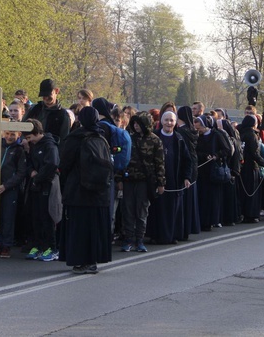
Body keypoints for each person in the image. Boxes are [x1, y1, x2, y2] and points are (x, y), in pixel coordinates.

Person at [58, 106, 112, 274]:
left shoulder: (74, 138)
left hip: (78, 191)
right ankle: (93, 261)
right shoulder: (101, 137)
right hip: (99, 192)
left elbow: (64, 164)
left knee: (78, 228)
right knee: (95, 228)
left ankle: (79, 261)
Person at [118, 112, 164, 253]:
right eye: (135, 123)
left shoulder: (155, 140)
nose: (136, 126)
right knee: (128, 211)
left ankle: (139, 240)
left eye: (139, 123)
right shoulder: (128, 138)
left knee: (142, 211)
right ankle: (129, 240)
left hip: (145, 181)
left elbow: (160, 163)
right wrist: (119, 179)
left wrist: (161, 183)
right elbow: (121, 159)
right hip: (129, 180)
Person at [148, 111, 191, 244]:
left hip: (174, 178)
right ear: (161, 121)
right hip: (157, 179)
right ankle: (157, 235)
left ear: (175, 122)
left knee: (173, 208)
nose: (169, 123)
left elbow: (186, 160)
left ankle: (172, 236)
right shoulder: (155, 137)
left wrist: (186, 177)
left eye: (171, 120)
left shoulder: (179, 139)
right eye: (166, 120)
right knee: (157, 207)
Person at [22, 120, 60, 262]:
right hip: (36, 184)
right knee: (35, 216)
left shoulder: (50, 145)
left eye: (29, 137)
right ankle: (38, 245)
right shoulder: (33, 146)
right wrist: (31, 171)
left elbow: (52, 164)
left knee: (47, 216)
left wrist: (38, 176)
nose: (28, 141)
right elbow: (30, 161)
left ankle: (52, 247)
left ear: (37, 132)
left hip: (47, 185)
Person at [0, 128, 28, 259]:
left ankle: (6, 244)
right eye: (7, 134)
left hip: (9, 189)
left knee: (8, 217)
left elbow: (21, 173)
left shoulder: (19, 150)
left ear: (18, 135)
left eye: (13, 135)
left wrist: (6, 186)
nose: (9, 137)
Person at [194, 115, 231, 231]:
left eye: (200, 129)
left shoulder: (216, 135)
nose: (198, 131)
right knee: (202, 196)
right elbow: (196, 152)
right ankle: (202, 221)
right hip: (202, 170)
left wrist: (216, 155)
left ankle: (212, 220)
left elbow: (227, 149)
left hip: (213, 170)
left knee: (212, 197)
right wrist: (204, 156)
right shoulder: (198, 137)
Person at [237, 115, 264, 223]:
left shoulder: (240, 133)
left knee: (243, 191)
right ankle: (251, 214)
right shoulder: (252, 135)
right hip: (251, 166)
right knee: (252, 192)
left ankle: (242, 213)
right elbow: (255, 153)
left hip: (241, 166)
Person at [23, 79, 71, 145]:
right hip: (32, 150)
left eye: (48, 95)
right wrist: (24, 140)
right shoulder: (34, 109)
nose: (46, 98)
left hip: (51, 151)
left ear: (56, 91)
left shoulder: (63, 115)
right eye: (43, 96)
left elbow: (64, 139)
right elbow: (22, 127)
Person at [177, 105, 200, 240]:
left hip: (185, 167)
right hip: (193, 166)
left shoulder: (181, 132)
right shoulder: (192, 130)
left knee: (183, 200)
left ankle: (182, 228)